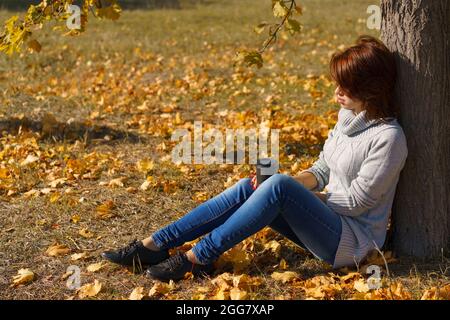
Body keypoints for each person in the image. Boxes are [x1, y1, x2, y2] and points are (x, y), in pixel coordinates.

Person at [101, 35, 408, 282]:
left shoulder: (388, 138)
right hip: (324, 222)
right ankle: (155, 245)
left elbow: (356, 202)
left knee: (277, 187)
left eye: (347, 87)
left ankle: (197, 258)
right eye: (338, 83)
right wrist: (284, 185)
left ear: (371, 90)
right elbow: (322, 169)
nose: (337, 92)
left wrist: (294, 192)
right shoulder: (347, 116)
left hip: (352, 242)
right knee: (258, 184)